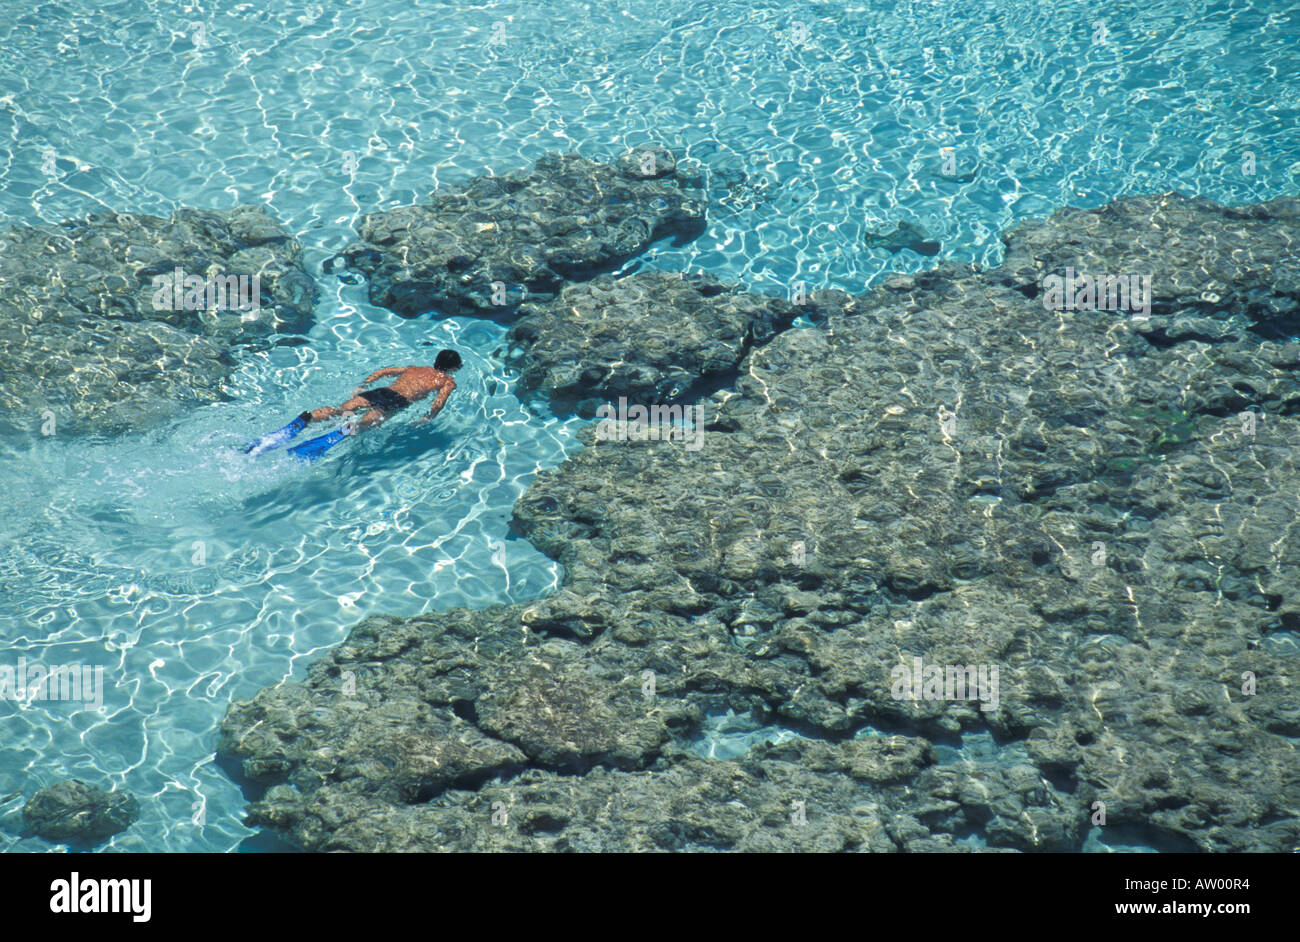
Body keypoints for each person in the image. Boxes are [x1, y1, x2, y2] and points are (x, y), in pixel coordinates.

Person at [243, 349, 462, 460]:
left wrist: (364, 385)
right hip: (397, 401)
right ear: (453, 368)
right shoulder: (446, 381)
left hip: (382, 391)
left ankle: (309, 419)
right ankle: (347, 429)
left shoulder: (415, 368)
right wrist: (429, 417)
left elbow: (382, 372)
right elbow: (439, 402)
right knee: (362, 428)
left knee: (343, 410)